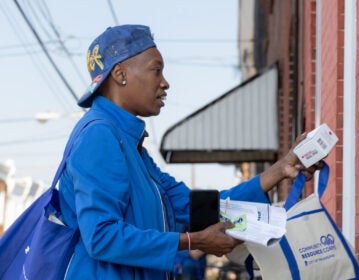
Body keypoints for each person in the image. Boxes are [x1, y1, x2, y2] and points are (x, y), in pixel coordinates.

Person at [58, 24, 321, 279]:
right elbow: (102, 237)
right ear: (120, 74)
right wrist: (192, 241)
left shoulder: (130, 145)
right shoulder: (98, 136)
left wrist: (281, 169)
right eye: (156, 70)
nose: (165, 83)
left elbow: (195, 207)